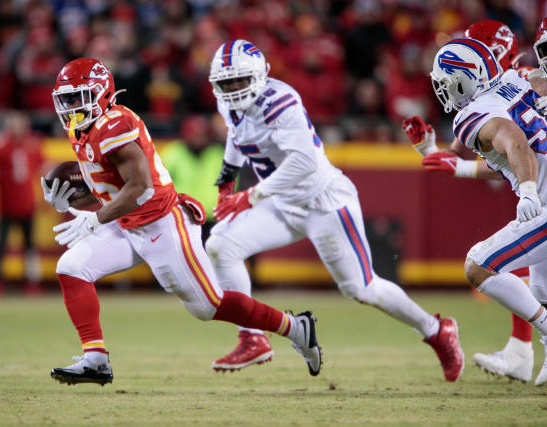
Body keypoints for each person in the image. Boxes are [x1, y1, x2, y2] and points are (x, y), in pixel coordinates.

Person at [42, 58, 322, 386]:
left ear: (101, 93)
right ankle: (95, 359)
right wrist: (71, 200)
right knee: (72, 267)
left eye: (79, 96)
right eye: (67, 98)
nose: (72, 105)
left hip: (161, 222)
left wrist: (95, 220)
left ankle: (295, 327)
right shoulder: (82, 130)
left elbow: (139, 186)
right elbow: (108, 185)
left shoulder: (114, 123)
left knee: (207, 306)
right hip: (127, 223)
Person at [205, 39, 464, 381]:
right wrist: (226, 181)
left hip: (322, 201)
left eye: (240, 80)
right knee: (221, 245)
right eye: (227, 83)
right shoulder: (230, 104)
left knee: (361, 288)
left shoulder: (280, 103)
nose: (234, 89)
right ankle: (252, 336)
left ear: (260, 75)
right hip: (282, 204)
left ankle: (436, 330)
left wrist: (249, 196)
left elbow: (304, 163)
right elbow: (237, 136)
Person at [402, 21, 536, 383]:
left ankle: (526, 349)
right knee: (536, 287)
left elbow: (516, 148)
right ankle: (522, 353)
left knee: (483, 266)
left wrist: (526, 188)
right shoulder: (522, 83)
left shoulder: (478, 109)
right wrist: (438, 155)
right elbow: (505, 158)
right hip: (535, 186)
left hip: (538, 193)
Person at [0, 111, 44, 296]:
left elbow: (43, 168)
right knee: (1, 245)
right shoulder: (1, 145)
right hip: (6, 204)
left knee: (30, 246)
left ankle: (32, 281)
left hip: (27, 203)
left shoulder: (32, 144)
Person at [160, 114, 225, 242]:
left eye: (202, 136)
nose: (198, 139)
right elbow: (158, 181)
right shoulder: (174, 152)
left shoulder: (217, 154)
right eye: (194, 135)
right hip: (182, 216)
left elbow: (230, 185)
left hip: (212, 218)